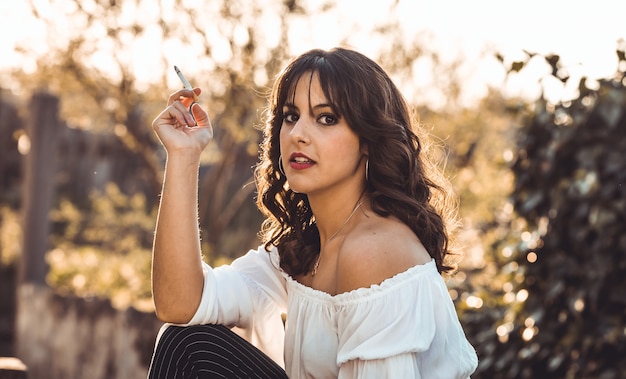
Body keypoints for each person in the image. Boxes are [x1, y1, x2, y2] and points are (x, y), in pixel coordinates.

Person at [148, 47, 478, 378]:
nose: (298, 135)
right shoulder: (308, 247)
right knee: (186, 342)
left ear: (368, 139)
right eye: (291, 116)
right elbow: (180, 304)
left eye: (326, 118)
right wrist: (183, 154)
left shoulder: (375, 251)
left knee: (188, 346)